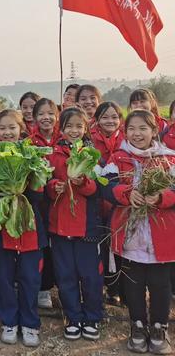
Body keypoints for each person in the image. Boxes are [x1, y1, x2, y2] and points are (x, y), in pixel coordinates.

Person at [102, 110, 175, 354]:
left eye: (143, 128)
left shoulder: (168, 159)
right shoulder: (119, 157)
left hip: (161, 236)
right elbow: (107, 186)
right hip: (131, 233)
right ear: (125, 132)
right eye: (131, 128)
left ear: (155, 131)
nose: (137, 133)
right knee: (133, 283)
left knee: (160, 284)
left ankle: (158, 327)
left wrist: (161, 197)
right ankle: (137, 325)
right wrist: (125, 193)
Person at [0, 109, 45, 347]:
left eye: (12, 127)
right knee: (3, 277)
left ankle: (30, 323)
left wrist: (23, 187)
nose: (8, 132)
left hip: (30, 226)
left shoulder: (33, 154)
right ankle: (9, 320)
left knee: (30, 278)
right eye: (2, 128)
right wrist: (5, 191)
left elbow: (41, 192)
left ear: (21, 129)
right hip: (1, 227)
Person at [47, 107, 103, 341]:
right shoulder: (53, 154)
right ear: (61, 128)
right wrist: (55, 188)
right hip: (60, 226)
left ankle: (92, 317)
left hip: (86, 228)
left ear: (86, 128)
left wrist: (82, 183)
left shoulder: (92, 154)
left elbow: (96, 189)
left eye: (78, 126)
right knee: (66, 275)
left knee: (90, 275)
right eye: (68, 126)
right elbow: (46, 185)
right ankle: (73, 317)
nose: (73, 131)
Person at [91, 102, 125, 305]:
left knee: (119, 247)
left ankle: (116, 289)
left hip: (120, 205)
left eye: (114, 117)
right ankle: (101, 287)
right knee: (100, 247)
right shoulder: (89, 141)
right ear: (96, 120)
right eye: (105, 117)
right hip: (96, 203)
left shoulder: (127, 139)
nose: (110, 121)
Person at [30, 98, 60, 310]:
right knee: (43, 246)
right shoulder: (30, 142)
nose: (46, 118)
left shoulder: (66, 138)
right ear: (34, 118)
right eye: (41, 114)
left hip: (64, 201)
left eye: (50, 113)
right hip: (40, 203)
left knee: (60, 248)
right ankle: (43, 288)